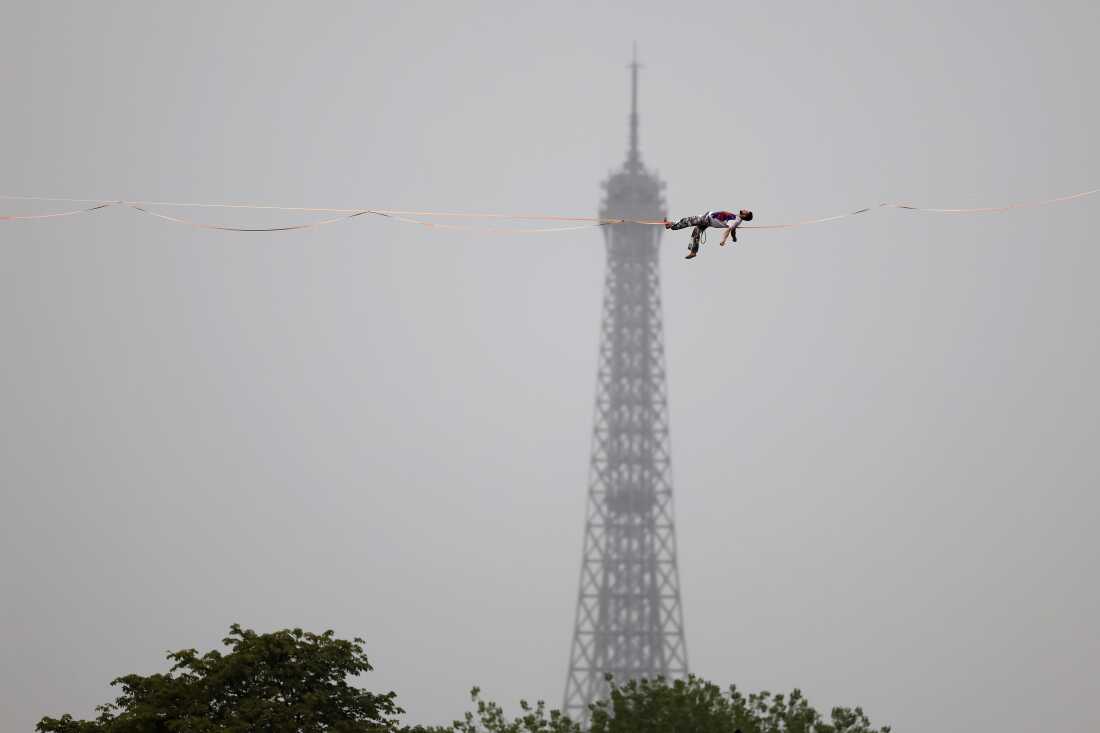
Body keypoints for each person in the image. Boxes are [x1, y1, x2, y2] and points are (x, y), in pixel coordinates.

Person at [664, 209, 754, 259]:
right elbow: (732, 230)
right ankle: (693, 252)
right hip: (707, 218)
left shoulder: (736, 220)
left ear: (745, 216)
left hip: (706, 219)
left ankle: (671, 225)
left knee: (688, 220)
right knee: (696, 232)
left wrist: (723, 240)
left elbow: (729, 229)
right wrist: (734, 238)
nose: (745, 209)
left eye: (746, 211)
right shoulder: (737, 218)